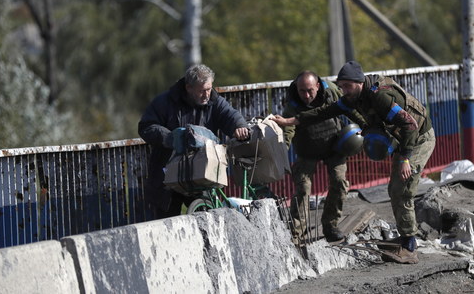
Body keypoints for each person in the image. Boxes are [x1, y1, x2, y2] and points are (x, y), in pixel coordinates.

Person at [272, 61, 435, 264]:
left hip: (419, 139)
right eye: (341, 86)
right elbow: (324, 112)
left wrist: (404, 158)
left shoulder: (380, 96)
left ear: (359, 83)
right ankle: (404, 239)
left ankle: (409, 248)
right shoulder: (351, 98)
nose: (343, 91)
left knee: (402, 188)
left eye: (347, 86)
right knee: (395, 188)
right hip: (404, 140)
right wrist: (290, 121)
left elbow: (409, 123)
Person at [138, 64, 249, 219]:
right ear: (189, 88)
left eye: (209, 89)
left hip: (200, 173)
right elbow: (146, 127)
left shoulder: (215, 102)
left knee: (207, 218)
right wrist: (170, 138)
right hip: (168, 174)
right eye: (202, 90)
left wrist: (240, 127)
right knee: (167, 222)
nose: (207, 94)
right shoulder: (165, 102)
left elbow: (230, 115)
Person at [282, 71, 366, 243]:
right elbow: (287, 130)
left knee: (339, 181)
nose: (306, 95)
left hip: (334, 146)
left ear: (318, 86)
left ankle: (330, 224)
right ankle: (296, 234)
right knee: (302, 188)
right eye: (302, 91)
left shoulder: (331, 91)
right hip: (307, 150)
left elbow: (348, 107)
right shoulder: (292, 104)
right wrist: (283, 148)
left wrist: (366, 126)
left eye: (310, 90)